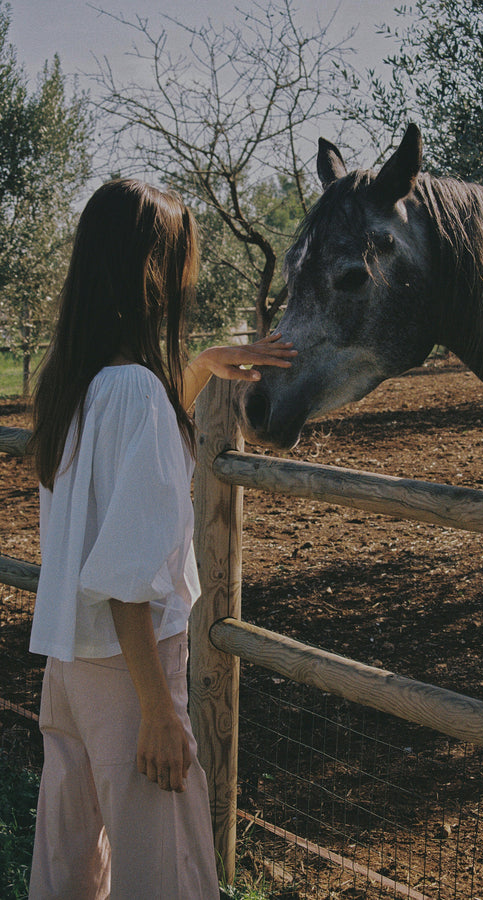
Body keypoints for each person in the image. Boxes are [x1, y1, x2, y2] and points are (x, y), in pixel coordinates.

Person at [27, 178, 296, 900]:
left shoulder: (74, 383)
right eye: (182, 256)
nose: (190, 274)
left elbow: (128, 458)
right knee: (165, 871)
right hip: (129, 669)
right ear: (150, 268)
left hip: (68, 667)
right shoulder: (135, 393)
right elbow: (124, 576)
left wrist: (199, 369)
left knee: (68, 864)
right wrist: (158, 711)